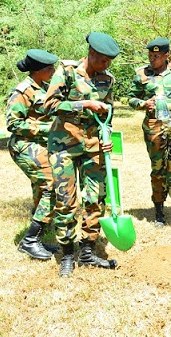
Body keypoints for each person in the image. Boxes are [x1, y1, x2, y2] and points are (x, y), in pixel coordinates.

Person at [44, 32, 120, 277]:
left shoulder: (108, 79)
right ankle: (67, 253)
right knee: (66, 201)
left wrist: (107, 136)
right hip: (63, 146)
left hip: (93, 145)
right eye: (103, 60)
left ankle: (87, 250)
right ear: (91, 53)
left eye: (109, 61)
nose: (106, 65)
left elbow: (108, 114)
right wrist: (83, 104)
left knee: (96, 197)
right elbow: (49, 106)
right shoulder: (67, 72)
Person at [128, 37, 171, 229]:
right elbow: (130, 98)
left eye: (156, 56)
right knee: (158, 169)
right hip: (154, 126)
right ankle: (159, 212)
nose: (152, 59)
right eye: (150, 55)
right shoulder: (141, 74)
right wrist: (143, 104)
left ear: (167, 55)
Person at [7, 49, 59, 260]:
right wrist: (48, 128)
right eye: (49, 68)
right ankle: (29, 240)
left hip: (39, 145)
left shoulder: (44, 87)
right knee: (51, 186)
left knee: (41, 189)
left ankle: (38, 237)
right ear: (37, 71)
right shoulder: (22, 91)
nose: (53, 71)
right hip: (24, 145)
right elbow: (13, 124)